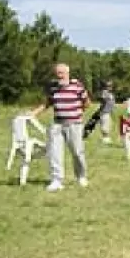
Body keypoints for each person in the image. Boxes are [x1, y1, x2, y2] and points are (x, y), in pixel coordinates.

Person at [28, 62, 91, 192]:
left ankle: (81, 176)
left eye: (61, 73)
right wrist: (33, 113)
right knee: (55, 153)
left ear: (67, 73)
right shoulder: (53, 87)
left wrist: (78, 112)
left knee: (77, 152)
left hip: (74, 124)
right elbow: (47, 103)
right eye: (57, 73)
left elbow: (87, 102)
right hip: (57, 124)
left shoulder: (77, 85)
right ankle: (56, 180)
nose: (59, 76)